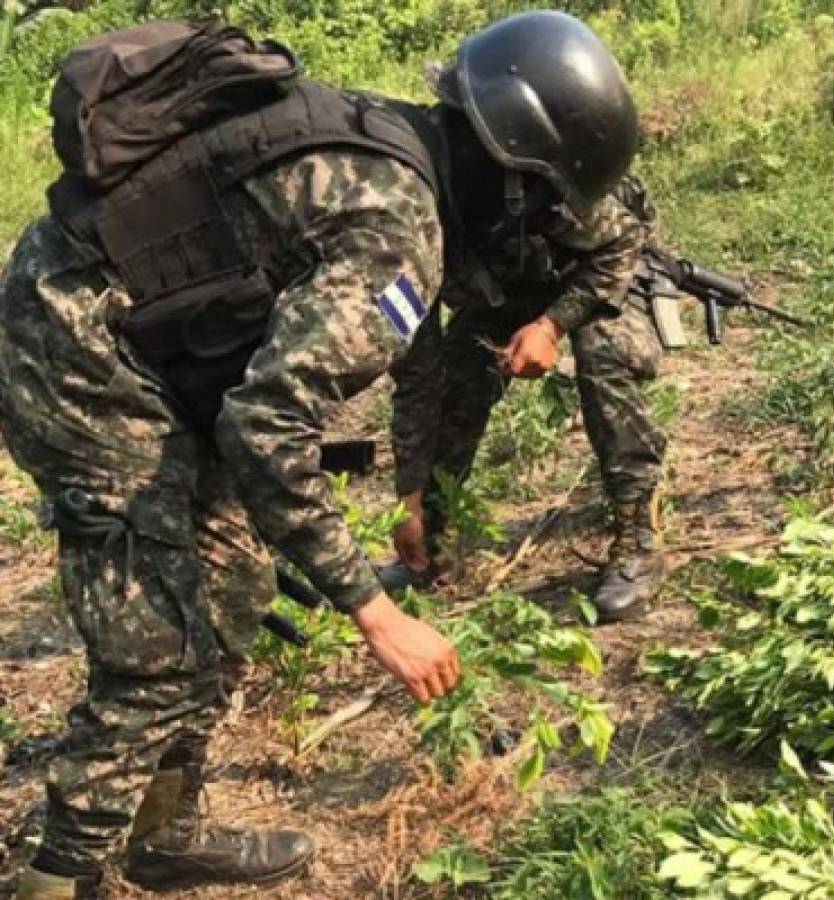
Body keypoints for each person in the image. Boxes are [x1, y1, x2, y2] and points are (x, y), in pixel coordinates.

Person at [2, 11, 638, 898]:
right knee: (157, 653)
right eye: (547, 207)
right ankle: (53, 877)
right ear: (513, 179)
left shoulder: (398, 143)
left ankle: (163, 836)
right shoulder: (398, 227)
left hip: (144, 340)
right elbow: (266, 427)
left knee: (230, 591)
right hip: (75, 352)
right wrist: (378, 613)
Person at [389, 168, 669, 624]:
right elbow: (413, 370)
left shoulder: (529, 180)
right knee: (451, 376)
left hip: (594, 276)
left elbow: (620, 244)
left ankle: (639, 535)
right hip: (502, 293)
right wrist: (409, 496)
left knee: (604, 353)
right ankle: (426, 545)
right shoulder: (394, 246)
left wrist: (551, 325)